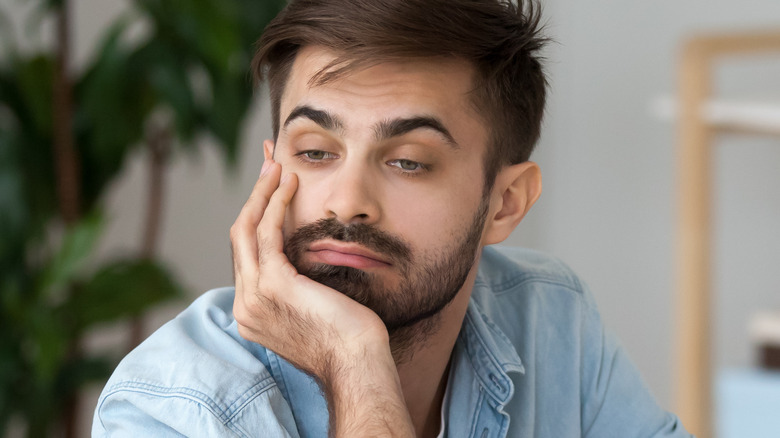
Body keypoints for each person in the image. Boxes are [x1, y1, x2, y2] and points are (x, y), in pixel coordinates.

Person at [93, 0, 692, 436]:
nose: (346, 200)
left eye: (408, 162)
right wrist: (353, 363)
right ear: (270, 170)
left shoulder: (551, 322)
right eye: (316, 152)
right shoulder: (176, 408)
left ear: (504, 203)